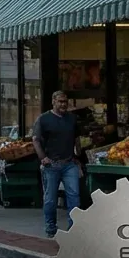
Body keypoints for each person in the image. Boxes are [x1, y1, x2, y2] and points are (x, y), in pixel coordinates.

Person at [33, 90, 81, 237]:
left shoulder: (72, 118)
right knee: (50, 198)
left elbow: (77, 138)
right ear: (53, 102)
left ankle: (74, 228)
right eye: (60, 101)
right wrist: (43, 158)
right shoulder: (44, 119)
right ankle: (50, 227)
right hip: (51, 165)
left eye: (65, 102)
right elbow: (35, 140)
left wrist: (78, 156)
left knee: (74, 195)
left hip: (69, 163)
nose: (63, 104)